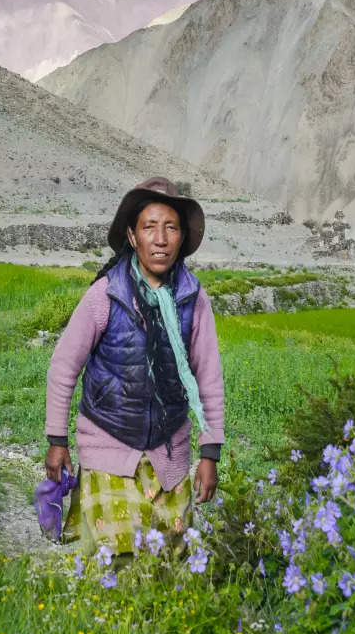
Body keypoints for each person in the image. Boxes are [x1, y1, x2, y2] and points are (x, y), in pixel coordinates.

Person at [44, 177, 225, 554]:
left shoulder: (194, 299)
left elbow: (208, 378)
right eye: (149, 227)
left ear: (182, 238)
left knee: (172, 564)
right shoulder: (106, 294)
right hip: (107, 444)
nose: (160, 239)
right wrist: (57, 441)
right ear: (132, 236)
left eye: (171, 227)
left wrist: (210, 453)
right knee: (118, 563)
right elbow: (64, 366)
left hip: (169, 453)